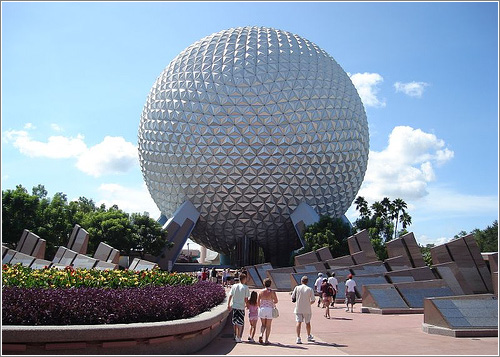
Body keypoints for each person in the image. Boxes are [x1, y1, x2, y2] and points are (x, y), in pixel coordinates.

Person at [291, 275, 315, 344]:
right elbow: (313, 300)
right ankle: (308, 335)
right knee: (307, 323)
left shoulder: (297, 288)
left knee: (298, 322)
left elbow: (293, 297)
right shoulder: (310, 289)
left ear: (301, 281)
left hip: (298, 308)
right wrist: (308, 303)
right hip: (307, 309)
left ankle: (298, 338)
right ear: (307, 282)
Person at [227, 273, 250, 343]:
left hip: (235, 306)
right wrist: (247, 305)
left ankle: (235, 334)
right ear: (244, 279)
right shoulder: (245, 287)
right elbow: (246, 299)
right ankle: (239, 336)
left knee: (234, 321)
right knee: (240, 322)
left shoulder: (234, 286)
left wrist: (228, 304)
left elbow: (230, 295)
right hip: (241, 307)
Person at [257, 277, 278, 345]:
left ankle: (261, 334)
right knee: (268, 325)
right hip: (269, 309)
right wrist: (272, 302)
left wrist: (260, 306)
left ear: (264, 284)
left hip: (262, 309)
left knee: (263, 324)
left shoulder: (260, 292)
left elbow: (258, 302)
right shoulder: (272, 292)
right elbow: (276, 301)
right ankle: (266, 340)